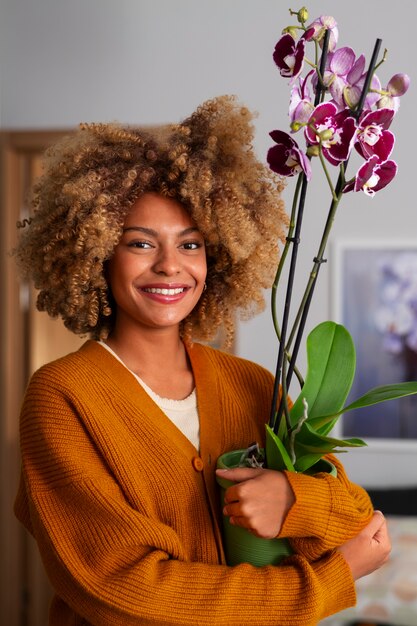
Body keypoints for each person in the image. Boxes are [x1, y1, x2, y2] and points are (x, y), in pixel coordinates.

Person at [14, 95, 390, 626]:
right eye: (141, 244)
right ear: (96, 252)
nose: (170, 266)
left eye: (190, 246)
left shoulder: (252, 385)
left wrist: (293, 498)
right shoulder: (62, 397)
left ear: (218, 256)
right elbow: (124, 590)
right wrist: (328, 583)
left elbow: (358, 520)